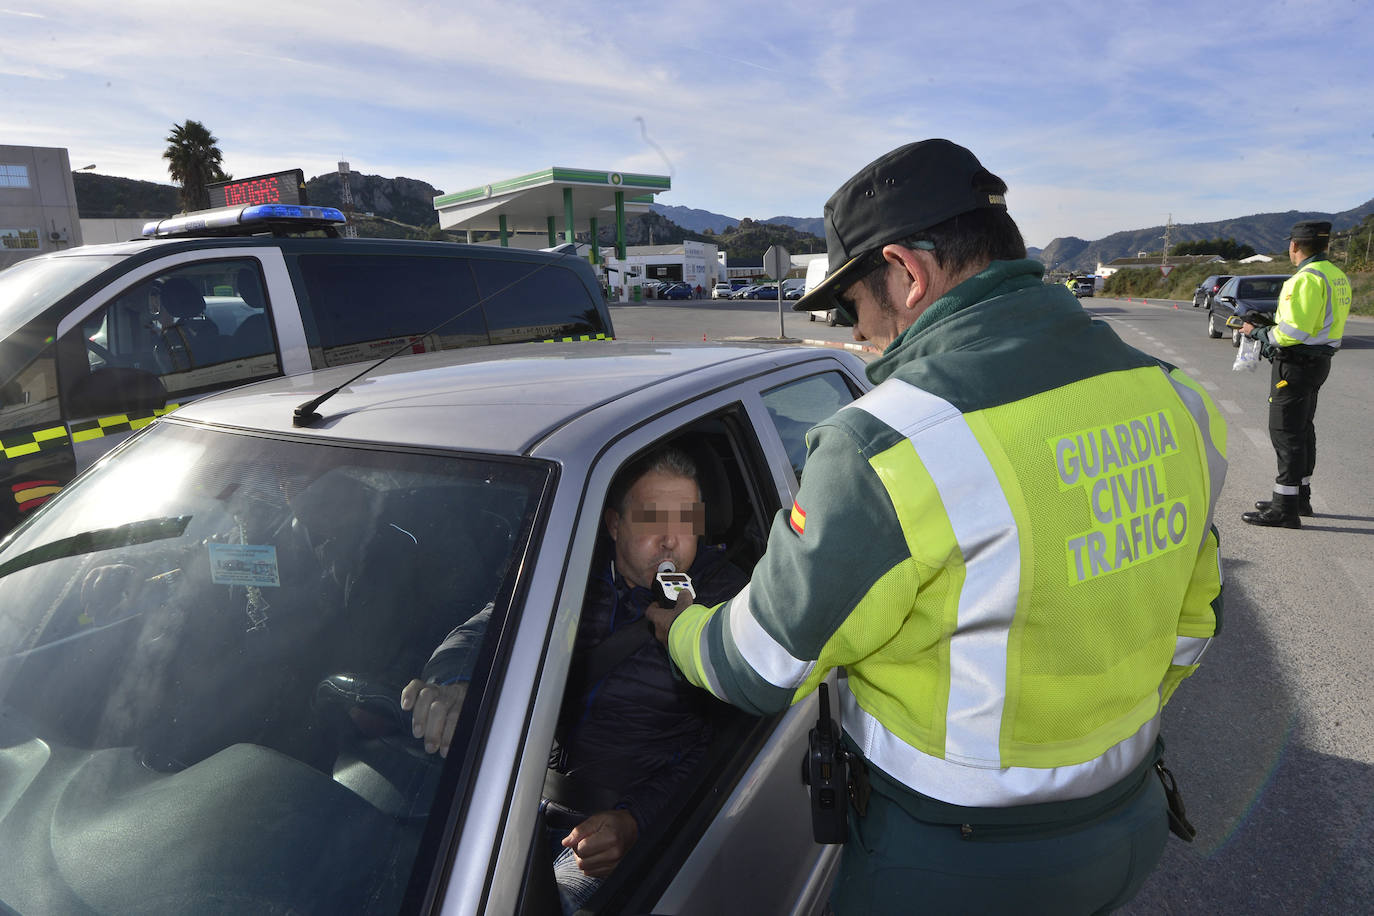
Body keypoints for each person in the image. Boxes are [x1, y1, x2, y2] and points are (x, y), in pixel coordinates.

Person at [646, 139, 1226, 915]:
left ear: (908, 274)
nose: (859, 336)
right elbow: (1197, 618)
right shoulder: (1173, 398)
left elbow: (760, 665)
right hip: (1129, 820)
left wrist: (682, 626)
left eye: (857, 306)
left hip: (957, 867)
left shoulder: (889, 443)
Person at [400, 445, 747, 914]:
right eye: (651, 519)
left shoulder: (723, 607)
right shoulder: (569, 575)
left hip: (615, 828)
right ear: (613, 524)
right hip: (513, 799)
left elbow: (725, 749)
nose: (671, 541)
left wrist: (635, 820)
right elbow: (484, 627)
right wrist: (459, 681)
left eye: (685, 520)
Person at [1240, 219, 1352, 528]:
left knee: (1286, 432)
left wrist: (1258, 332)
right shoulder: (1336, 275)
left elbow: (1290, 333)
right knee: (1303, 429)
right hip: (1318, 362)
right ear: (1325, 245)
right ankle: (1299, 498)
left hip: (1296, 363)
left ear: (1294, 246)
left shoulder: (1304, 279)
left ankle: (1284, 509)